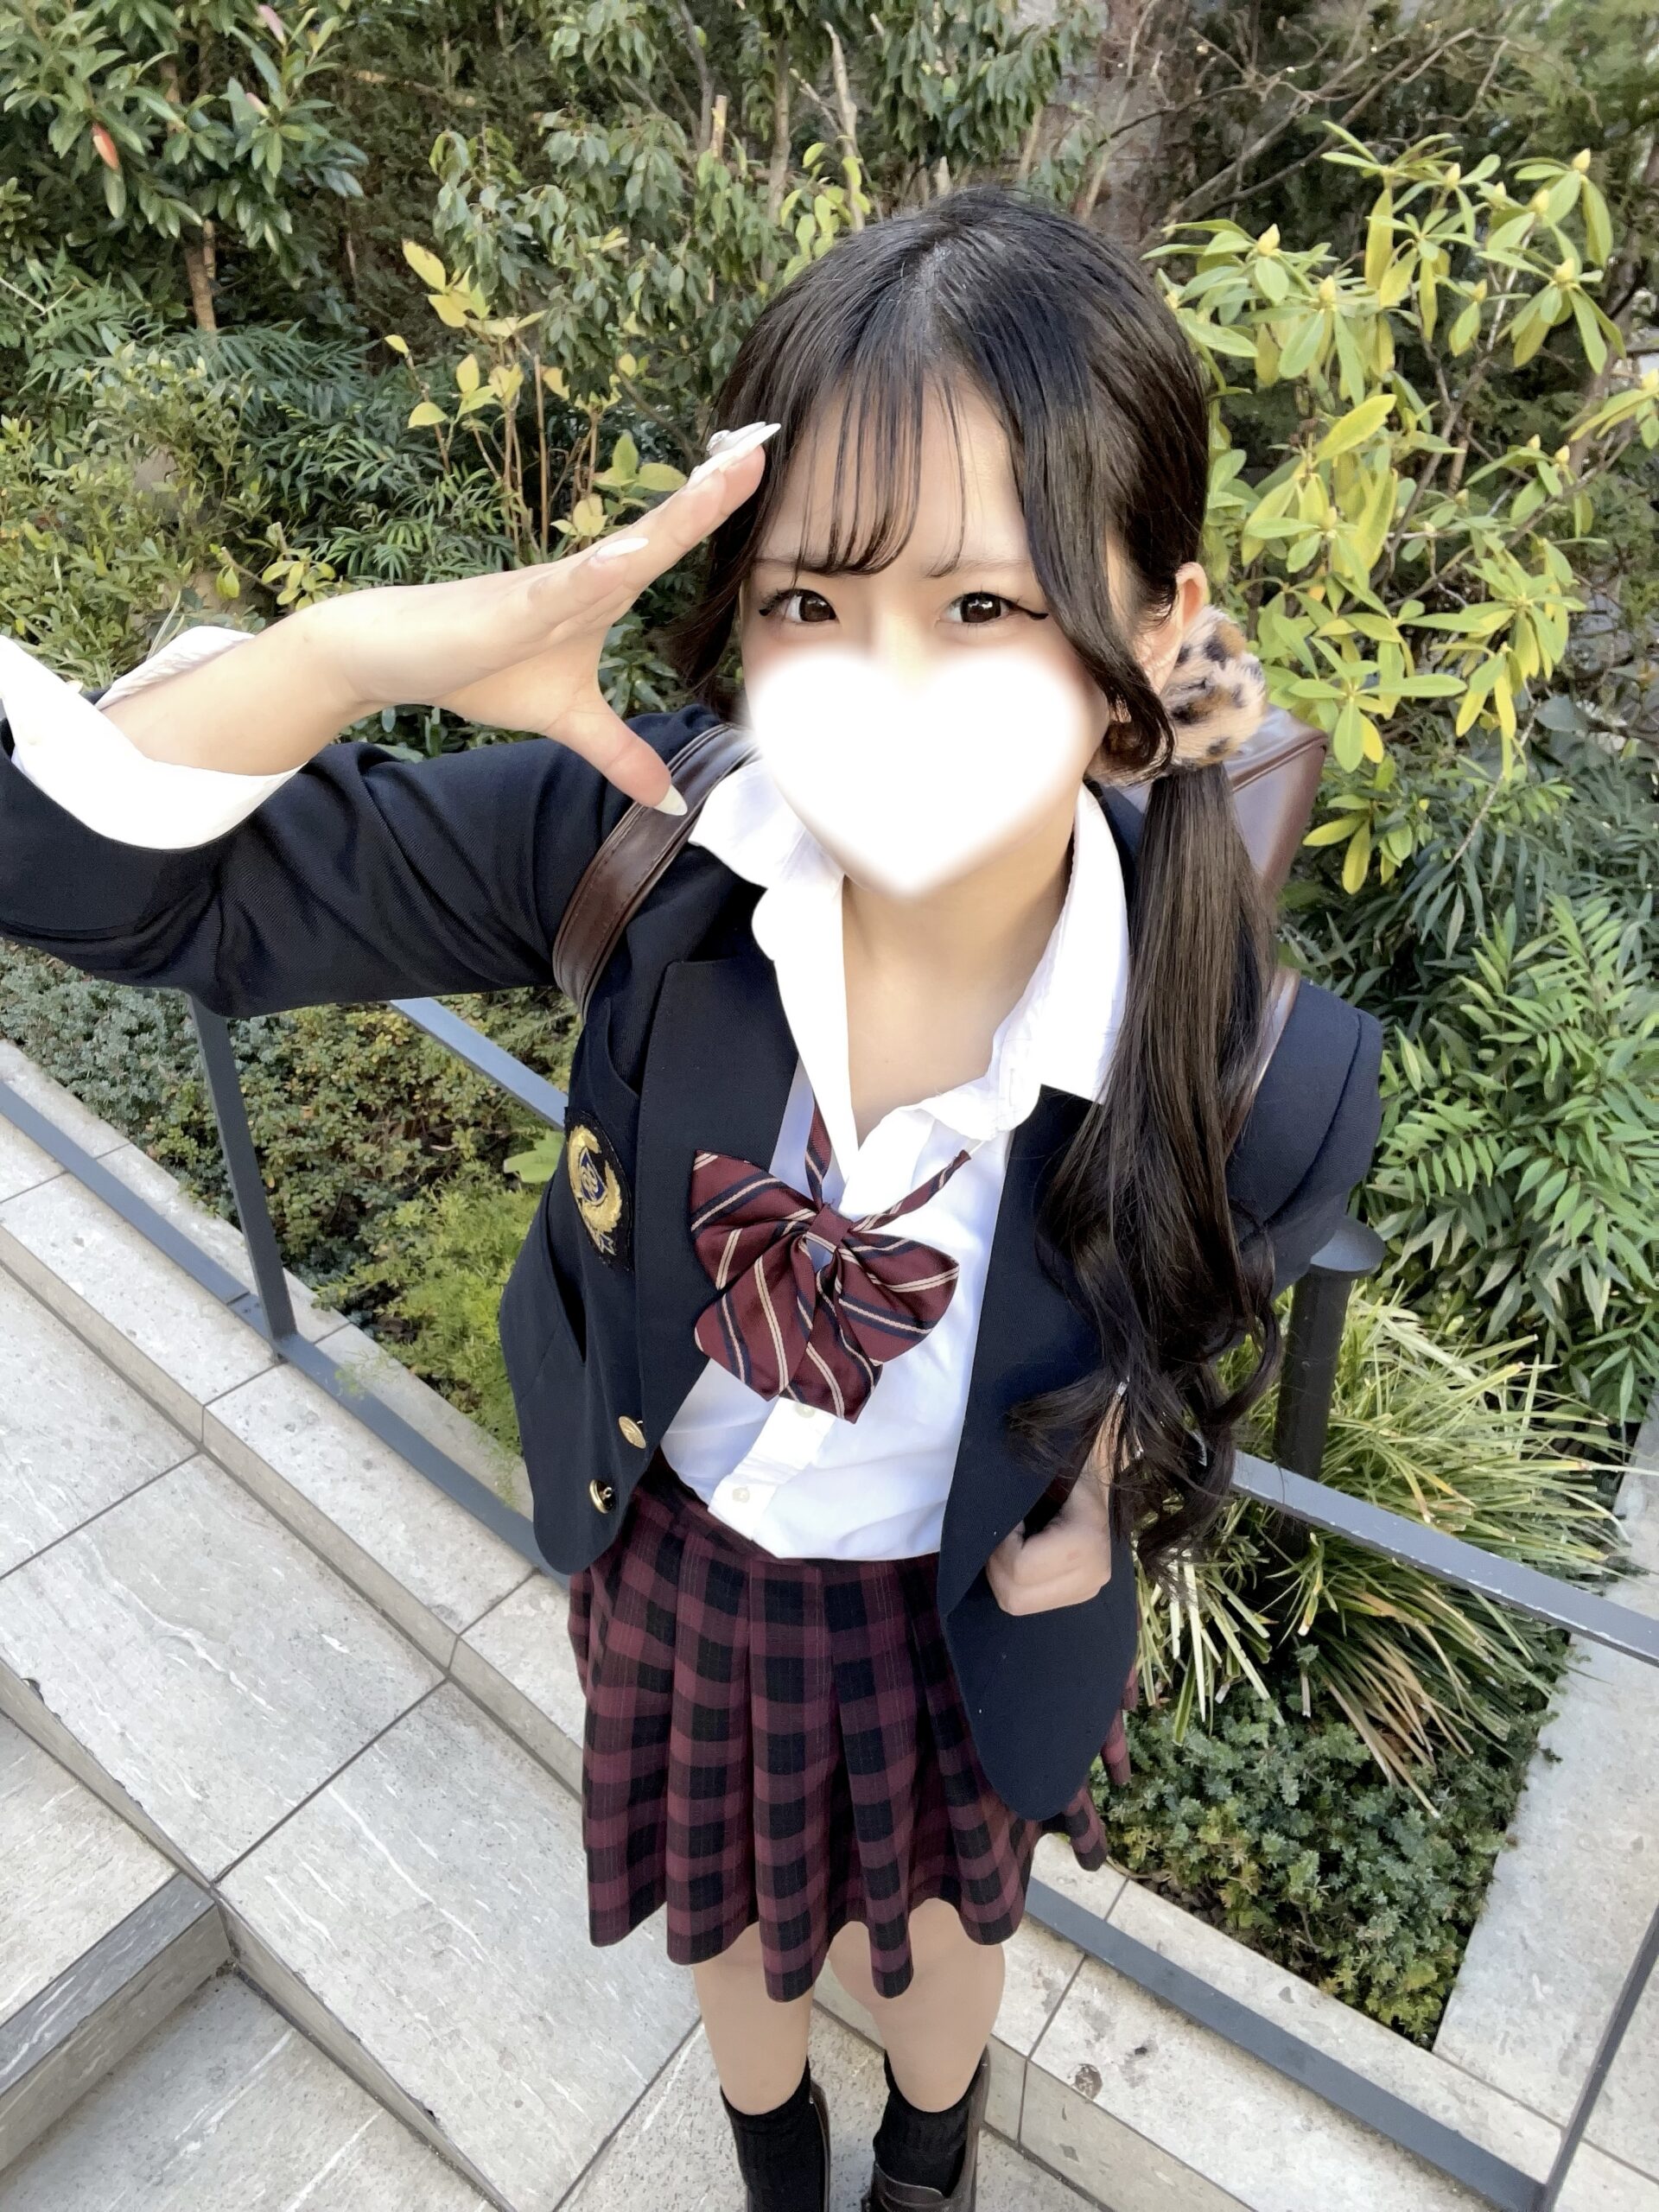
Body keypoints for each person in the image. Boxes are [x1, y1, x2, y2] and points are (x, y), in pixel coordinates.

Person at [0, 181, 1384, 2211]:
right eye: (811, 600)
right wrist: (356, 649)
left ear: (1149, 638)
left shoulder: (1263, 1077)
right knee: (729, 1925)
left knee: (946, 1936)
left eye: (980, 607)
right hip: (684, 1559)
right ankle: (777, 2164)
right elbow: (87, 881)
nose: (878, 685)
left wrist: (1102, 1496)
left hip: (960, 1616)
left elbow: (1185, 1337)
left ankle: (931, 2158)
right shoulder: (645, 848)